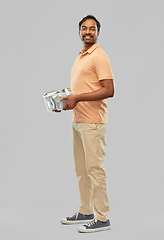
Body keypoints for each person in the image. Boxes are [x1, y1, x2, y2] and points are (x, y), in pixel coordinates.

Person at [58, 15, 114, 233]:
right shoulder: (81, 56)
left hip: (93, 122)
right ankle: (86, 211)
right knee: (81, 170)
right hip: (78, 120)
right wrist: (65, 100)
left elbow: (109, 90)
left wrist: (78, 98)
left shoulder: (99, 56)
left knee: (94, 169)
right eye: (84, 28)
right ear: (79, 32)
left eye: (92, 28)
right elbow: (82, 89)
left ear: (98, 32)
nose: (87, 31)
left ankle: (102, 218)